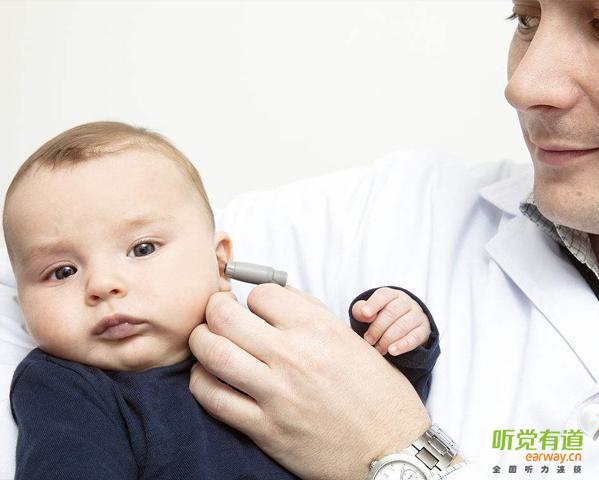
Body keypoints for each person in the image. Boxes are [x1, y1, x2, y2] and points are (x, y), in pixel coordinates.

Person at [183, 1, 599, 479]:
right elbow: (138, 241)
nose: (521, 86)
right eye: (526, 19)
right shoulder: (402, 210)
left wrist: (396, 451)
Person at [3, 122, 440, 479]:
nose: (102, 285)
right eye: (62, 272)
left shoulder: (266, 340)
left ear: (218, 262)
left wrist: (393, 335)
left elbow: (375, 410)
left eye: (142, 249)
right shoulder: (64, 386)